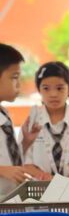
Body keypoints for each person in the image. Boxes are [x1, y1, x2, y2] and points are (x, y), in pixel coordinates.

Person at [23, 62, 69, 179]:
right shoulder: (32, 122)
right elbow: (25, 160)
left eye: (60, 88)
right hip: (41, 189)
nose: (53, 94)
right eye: (46, 88)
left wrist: (68, 181)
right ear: (39, 90)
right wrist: (46, 177)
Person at [0, 43, 41, 195]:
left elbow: (7, 157)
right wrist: (2, 170)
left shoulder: (4, 114)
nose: (19, 84)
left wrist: (24, 144)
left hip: (9, 199)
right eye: (14, 77)